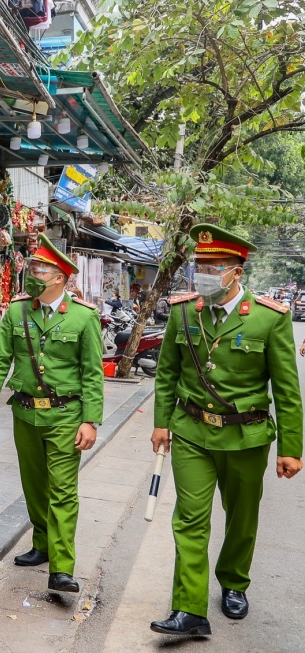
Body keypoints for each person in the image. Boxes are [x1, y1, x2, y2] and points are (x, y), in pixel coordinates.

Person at [149, 225, 302, 637]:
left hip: (245, 437)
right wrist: (161, 422)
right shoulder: (183, 311)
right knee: (190, 519)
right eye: (200, 266)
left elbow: (287, 390)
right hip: (191, 430)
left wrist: (292, 447)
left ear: (237, 271)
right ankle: (189, 609)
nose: (203, 275)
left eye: (213, 267)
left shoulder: (270, 319)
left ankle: (233, 581)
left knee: (241, 517)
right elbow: (166, 373)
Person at [0, 234, 104, 594]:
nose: (33, 274)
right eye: (32, 267)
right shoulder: (17, 310)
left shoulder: (83, 317)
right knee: (34, 485)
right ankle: (43, 544)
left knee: (63, 490)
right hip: (26, 414)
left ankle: (62, 569)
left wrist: (90, 419)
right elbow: (0, 359)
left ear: (61, 277)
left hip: (65, 416)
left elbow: (93, 372)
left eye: (40, 269)